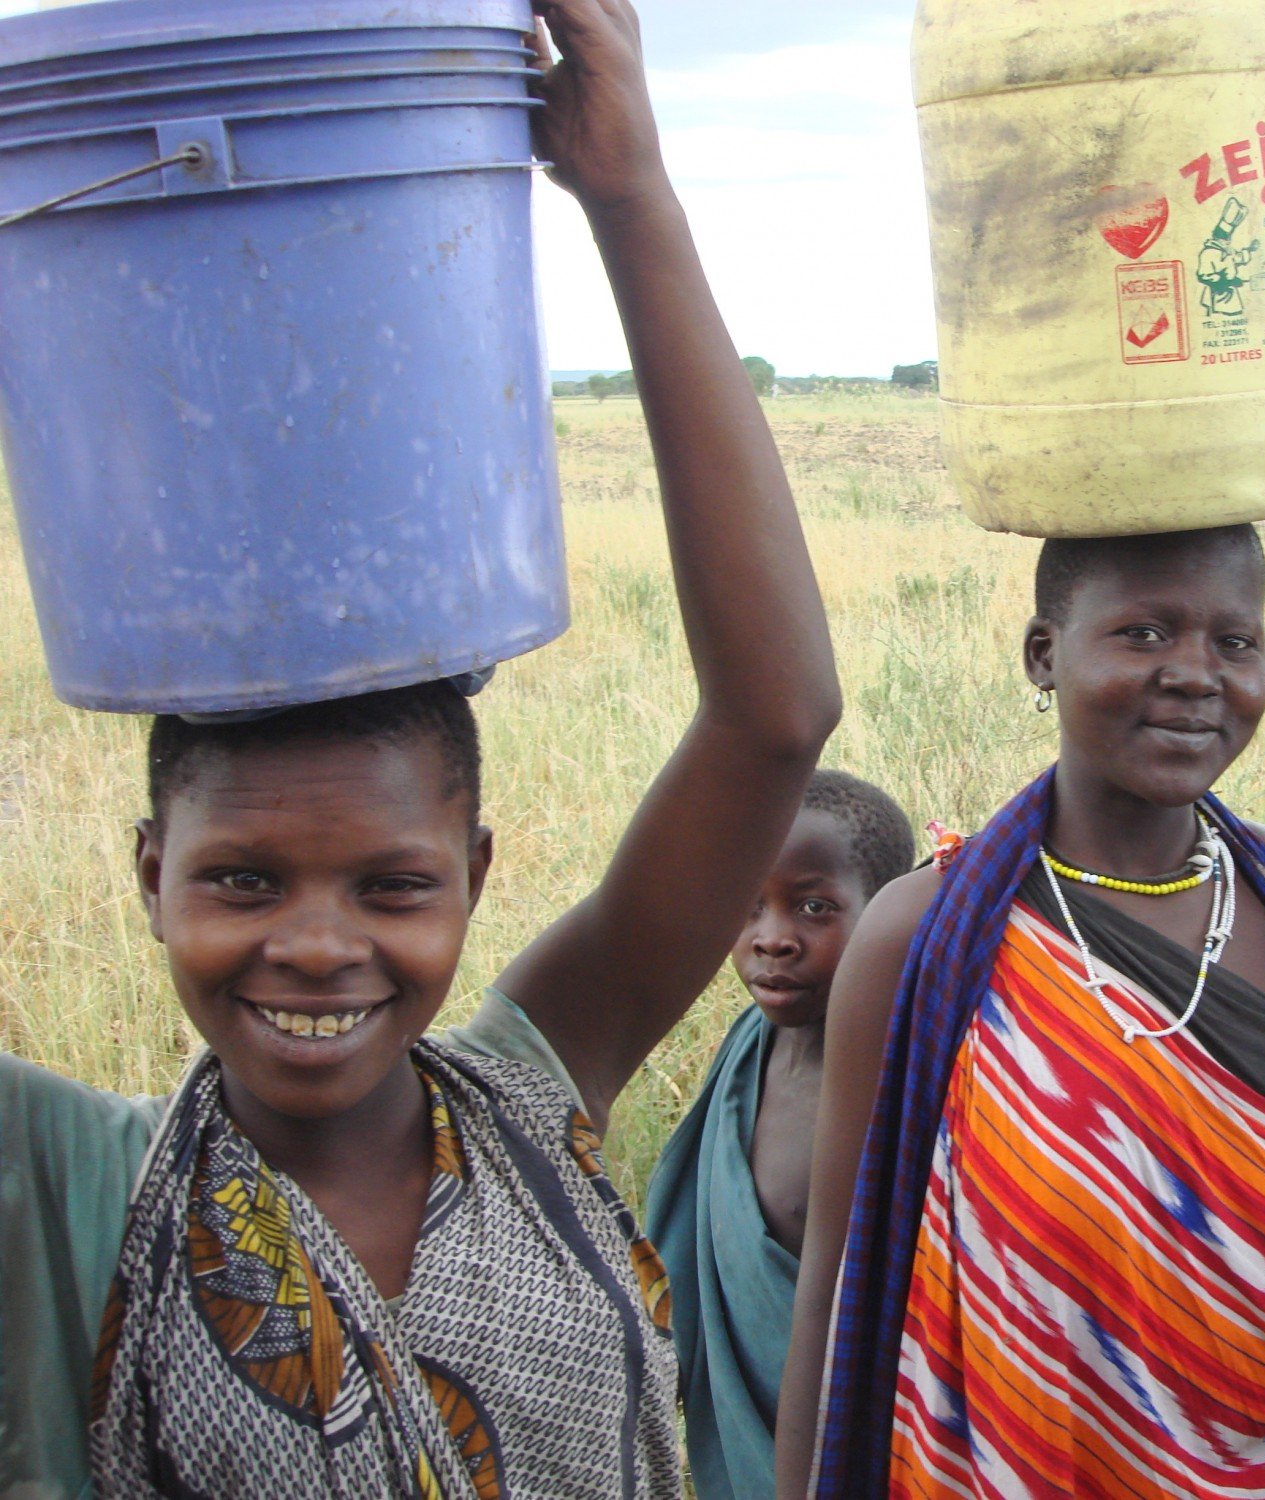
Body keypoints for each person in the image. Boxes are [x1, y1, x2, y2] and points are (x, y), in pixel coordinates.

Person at [0, 1, 841, 1494]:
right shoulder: (72, 1189)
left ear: (475, 871)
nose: (318, 947)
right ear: (148, 870)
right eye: (243, 883)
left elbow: (776, 717)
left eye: (392, 887)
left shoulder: (537, 1078)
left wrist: (629, 196)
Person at [774, 526, 1265, 1499]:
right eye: (1142, 633)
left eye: (1234, 642)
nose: (1193, 674)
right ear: (1042, 654)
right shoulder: (922, 939)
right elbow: (834, 1288)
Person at [644, 769, 915, 1500]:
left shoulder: (910, 1089)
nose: (772, 940)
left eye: (814, 908)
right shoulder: (747, 1050)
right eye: (748, 905)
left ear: (887, 912)